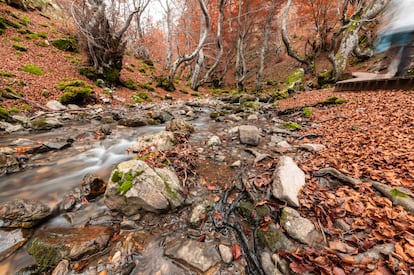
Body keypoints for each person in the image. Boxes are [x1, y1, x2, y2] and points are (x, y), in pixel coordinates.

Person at [375, 0, 414, 77]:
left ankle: (383, 71)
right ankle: (401, 72)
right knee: (407, 51)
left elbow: (389, 14)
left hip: (398, 27)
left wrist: (383, 26)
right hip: (410, 26)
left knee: (394, 50)